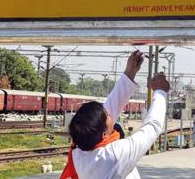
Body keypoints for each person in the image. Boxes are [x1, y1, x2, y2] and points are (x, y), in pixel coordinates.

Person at [61, 50, 169, 179]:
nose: (109, 112)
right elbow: (152, 127)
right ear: (104, 133)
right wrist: (160, 92)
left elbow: (110, 106)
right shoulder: (115, 155)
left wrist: (129, 73)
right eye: (108, 115)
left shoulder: (79, 152)